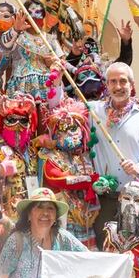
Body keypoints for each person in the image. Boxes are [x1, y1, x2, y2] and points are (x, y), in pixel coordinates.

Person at [87, 62, 139, 242]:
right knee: (104, 252)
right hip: (104, 199)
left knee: (134, 254)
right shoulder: (94, 111)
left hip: (136, 199)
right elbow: (61, 108)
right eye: (113, 81)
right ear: (106, 85)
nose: (118, 86)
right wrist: (57, 81)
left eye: (123, 81)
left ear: (132, 84)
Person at [39, 98, 100, 248]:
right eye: (62, 130)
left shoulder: (86, 156)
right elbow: (56, 178)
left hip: (86, 218)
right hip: (63, 220)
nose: (68, 134)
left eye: (73, 129)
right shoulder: (50, 155)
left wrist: (99, 184)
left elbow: (95, 181)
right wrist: (88, 181)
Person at [0, 93, 40, 221]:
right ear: (3, 122)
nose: (18, 125)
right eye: (11, 120)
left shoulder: (32, 150)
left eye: (23, 120)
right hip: (6, 217)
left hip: (32, 213)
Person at [7, 0, 63, 106]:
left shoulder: (50, 38)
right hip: (21, 84)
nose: (35, 18)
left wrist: (53, 63)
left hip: (46, 84)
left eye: (39, 13)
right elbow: (8, 63)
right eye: (31, 13)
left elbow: (62, 62)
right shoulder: (17, 37)